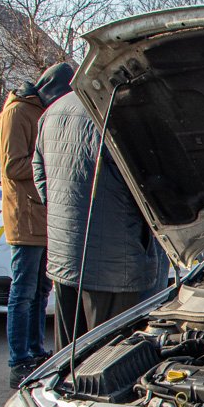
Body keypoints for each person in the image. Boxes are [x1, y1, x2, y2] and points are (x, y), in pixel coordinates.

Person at [33, 91, 160, 349]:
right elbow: (148, 187)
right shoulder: (117, 111)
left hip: (64, 252)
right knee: (108, 359)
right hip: (114, 260)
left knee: (67, 356)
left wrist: (66, 213)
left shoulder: (54, 110)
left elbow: (39, 172)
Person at [0, 61, 74, 388]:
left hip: (43, 217)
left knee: (42, 290)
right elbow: (14, 166)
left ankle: (35, 351)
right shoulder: (17, 113)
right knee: (23, 291)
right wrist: (51, 162)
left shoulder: (39, 112)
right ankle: (19, 361)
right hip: (25, 217)